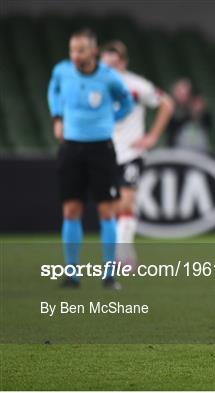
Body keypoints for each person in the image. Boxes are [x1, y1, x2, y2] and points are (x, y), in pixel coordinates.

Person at [47, 28, 134, 289]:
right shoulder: (62, 71)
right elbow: (53, 89)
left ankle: (109, 274)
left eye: (81, 50)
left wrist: (110, 119)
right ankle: (71, 274)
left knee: (106, 211)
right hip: (72, 149)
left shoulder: (109, 78)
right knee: (71, 210)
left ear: (94, 51)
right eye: (73, 50)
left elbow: (126, 102)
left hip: (101, 150)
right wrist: (57, 117)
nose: (75, 55)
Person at [100, 40, 174, 266]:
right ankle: (122, 249)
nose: (112, 65)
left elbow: (166, 103)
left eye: (116, 60)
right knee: (112, 206)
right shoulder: (96, 86)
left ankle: (123, 253)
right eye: (108, 61)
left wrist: (152, 136)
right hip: (105, 152)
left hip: (131, 152)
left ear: (123, 62)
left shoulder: (135, 85)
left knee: (126, 200)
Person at [166, 78, 214, 150]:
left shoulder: (198, 110)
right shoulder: (170, 108)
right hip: (176, 150)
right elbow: (171, 126)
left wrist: (198, 113)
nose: (182, 96)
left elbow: (210, 123)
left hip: (198, 150)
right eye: (179, 92)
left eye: (185, 93)